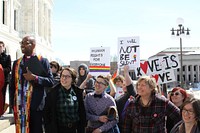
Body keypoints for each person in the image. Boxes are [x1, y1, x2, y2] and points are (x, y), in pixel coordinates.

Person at [10, 36, 54, 133]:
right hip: (20, 105)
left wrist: (35, 78)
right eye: (21, 43)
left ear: (33, 45)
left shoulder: (42, 61)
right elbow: (12, 85)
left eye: (26, 43)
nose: (22, 45)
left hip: (36, 106)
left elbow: (50, 81)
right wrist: (12, 104)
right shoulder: (17, 63)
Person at [44, 67, 86, 133]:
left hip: (74, 129)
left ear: (73, 79)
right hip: (58, 129)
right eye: (62, 76)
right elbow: (47, 113)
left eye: (67, 76)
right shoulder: (52, 93)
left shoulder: (77, 92)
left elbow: (82, 112)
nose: (64, 78)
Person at [115, 65, 137, 132]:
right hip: (119, 125)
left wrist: (126, 72)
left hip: (129, 127)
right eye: (123, 85)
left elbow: (129, 86)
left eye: (126, 85)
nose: (125, 86)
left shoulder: (132, 94)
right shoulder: (120, 96)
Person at [0, 41, 11, 115]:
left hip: (3, 79)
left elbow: (9, 68)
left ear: (3, 48)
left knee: (2, 95)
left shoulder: (7, 57)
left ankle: (1, 111)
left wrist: (1, 70)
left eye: (0, 47)